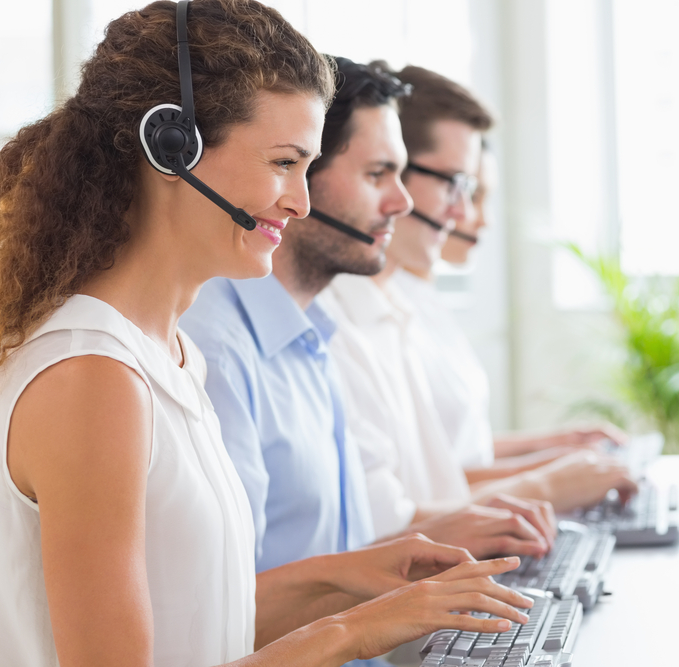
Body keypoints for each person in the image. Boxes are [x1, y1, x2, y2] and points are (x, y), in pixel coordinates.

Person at [0, 4, 529, 666]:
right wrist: (348, 630)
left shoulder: (169, 356)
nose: (300, 201)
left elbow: (201, 619)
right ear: (172, 148)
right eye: (284, 162)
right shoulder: (92, 378)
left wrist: (354, 578)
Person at [181, 56, 554, 578]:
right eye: (379, 174)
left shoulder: (311, 338)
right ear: (301, 175)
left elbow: (350, 551)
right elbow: (224, 612)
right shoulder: (215, 351)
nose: (402, 203)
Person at [326, 64, 637, 516]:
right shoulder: (337, 323)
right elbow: (390, 517)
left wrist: (559, 455)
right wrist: (547, 480)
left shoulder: (397, 306)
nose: (466, 213)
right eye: (455, 184)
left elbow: (441, 473)